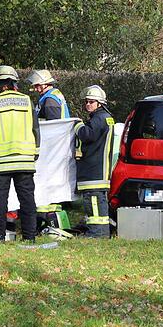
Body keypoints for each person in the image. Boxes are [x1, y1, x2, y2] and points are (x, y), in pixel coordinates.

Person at [0, 66, 41, 242]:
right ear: (13, 83)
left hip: (1, 162)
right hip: (25, 160)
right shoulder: (27, 101)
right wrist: (34, 152)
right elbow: (35, 129)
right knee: (27, 200)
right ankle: (29, 237)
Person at [27, 69, 71, 231]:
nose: (36, 89)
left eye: (38, 86)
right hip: (55, 147)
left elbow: (52, 127)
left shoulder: (50, 100)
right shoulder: (53, 96)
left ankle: (45, 219)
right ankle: (45, 218)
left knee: (46, 181)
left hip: (52, 148)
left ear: (46, 83)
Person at [73, 85, 118, 238]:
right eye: (86, 102)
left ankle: (97, 234)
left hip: (94, 170)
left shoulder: (99, 118)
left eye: (91, 102)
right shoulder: (106, 118)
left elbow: (87, 135)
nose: (87, 105)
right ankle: (101, 232)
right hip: (100, 168)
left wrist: (78, 125)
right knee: (99, 203)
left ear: (100, 103)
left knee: (94, 203)